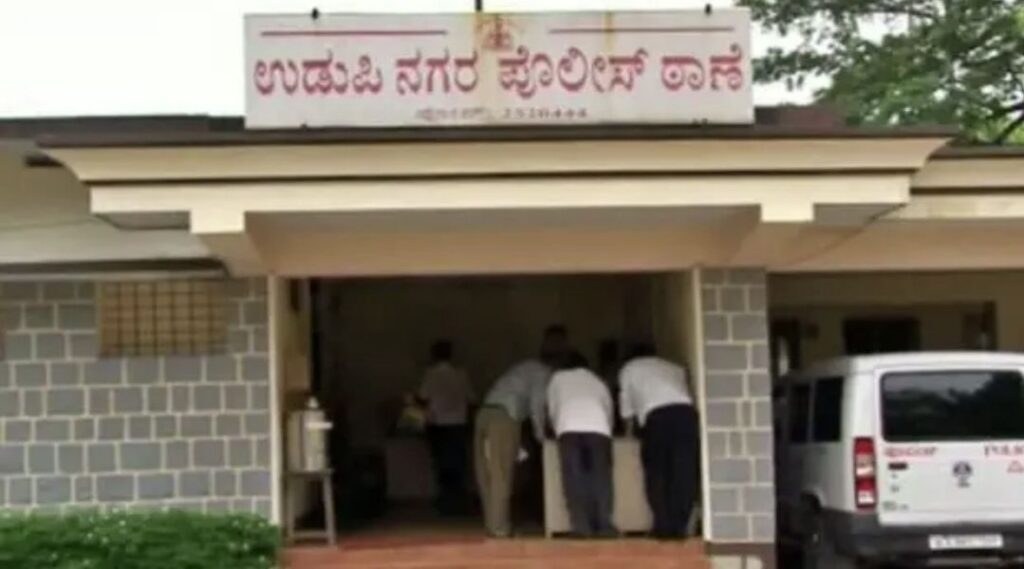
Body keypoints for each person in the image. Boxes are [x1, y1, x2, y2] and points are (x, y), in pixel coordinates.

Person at [474, 325, 568, 537]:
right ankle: (499, 528)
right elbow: (536, 405)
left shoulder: (524, 366)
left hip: (485, 413)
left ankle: (492, 523)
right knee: (502, 473)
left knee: (486, 473)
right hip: (505, 417)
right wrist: (541, 437)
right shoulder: (543, 373)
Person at [618, 342, 699, 539]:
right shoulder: (674, 367)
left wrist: (628, 434)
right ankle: (680, 527)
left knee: (658, 472)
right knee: (683, 471)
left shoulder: (629, 368)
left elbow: (626, 406)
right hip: (686, 414)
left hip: (657, 417)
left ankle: (662, 527)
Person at [547, 351, 617, 538]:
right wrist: (608, 430)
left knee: (574, 478)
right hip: (599, 429)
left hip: (569, 428)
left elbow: (553, 408)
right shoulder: (598, 381)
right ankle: (604, 525)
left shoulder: (558, 378)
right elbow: (608, 409)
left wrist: (555, 429)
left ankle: (581, 527)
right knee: (601, 479)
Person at [418, 339, 475, 515]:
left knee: (441, 464)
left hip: (438, 424)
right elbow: (471, 399)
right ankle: (459, 502)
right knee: (458, 464)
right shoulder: (461, 375)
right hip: (458, 423)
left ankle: (445, 503)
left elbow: (422, 397)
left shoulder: (431, 375)